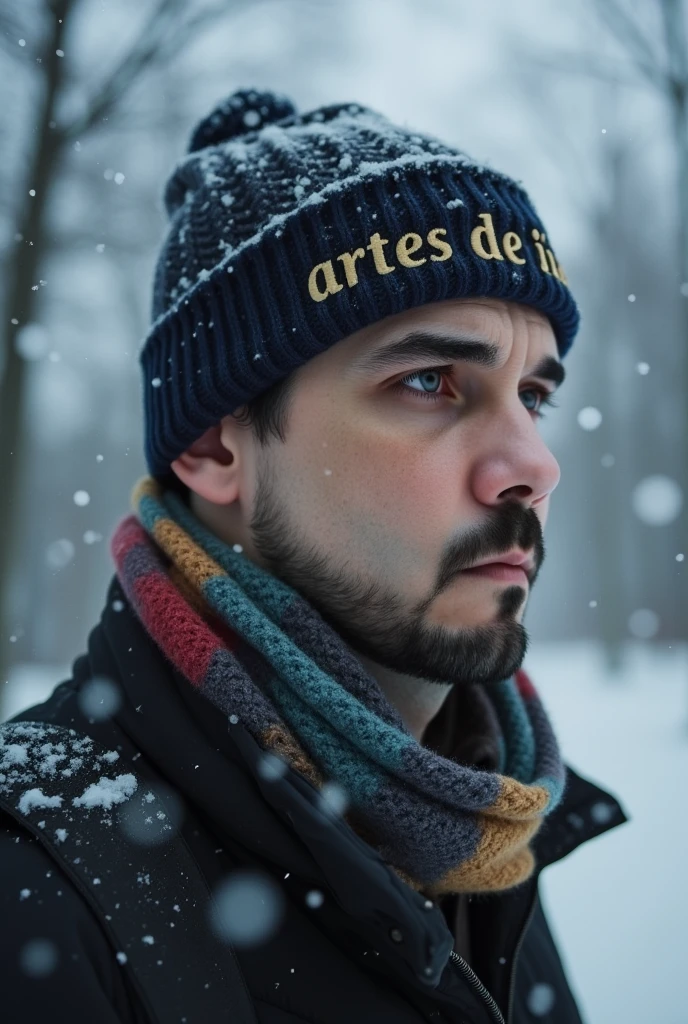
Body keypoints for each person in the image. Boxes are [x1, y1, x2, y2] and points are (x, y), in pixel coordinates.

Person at [0, 88, 627, 1024]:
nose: (533, 467)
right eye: (430, 382)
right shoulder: (33, 887)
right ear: (217, 445)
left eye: (531, 396)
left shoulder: (481, 833)